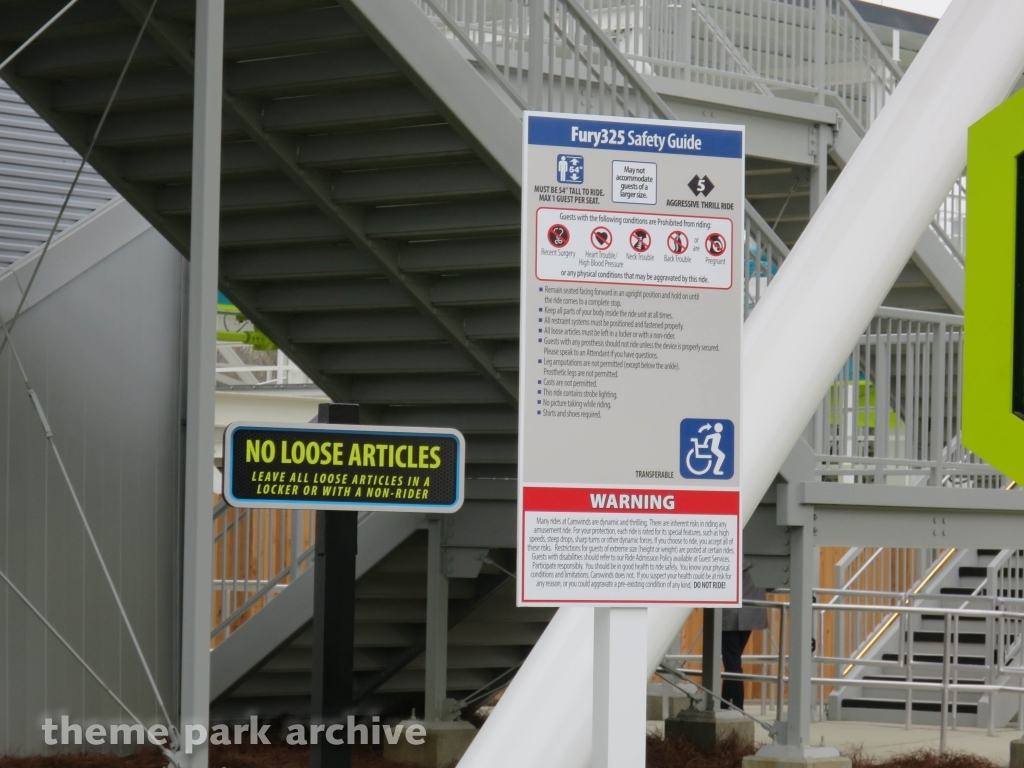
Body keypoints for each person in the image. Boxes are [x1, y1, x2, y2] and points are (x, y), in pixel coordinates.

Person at [720, 565, 766, 710]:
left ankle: (735, 707)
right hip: (751, 611)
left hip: (728, 613)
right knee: (733, 661)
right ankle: (727, 705)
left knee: (732, 663)